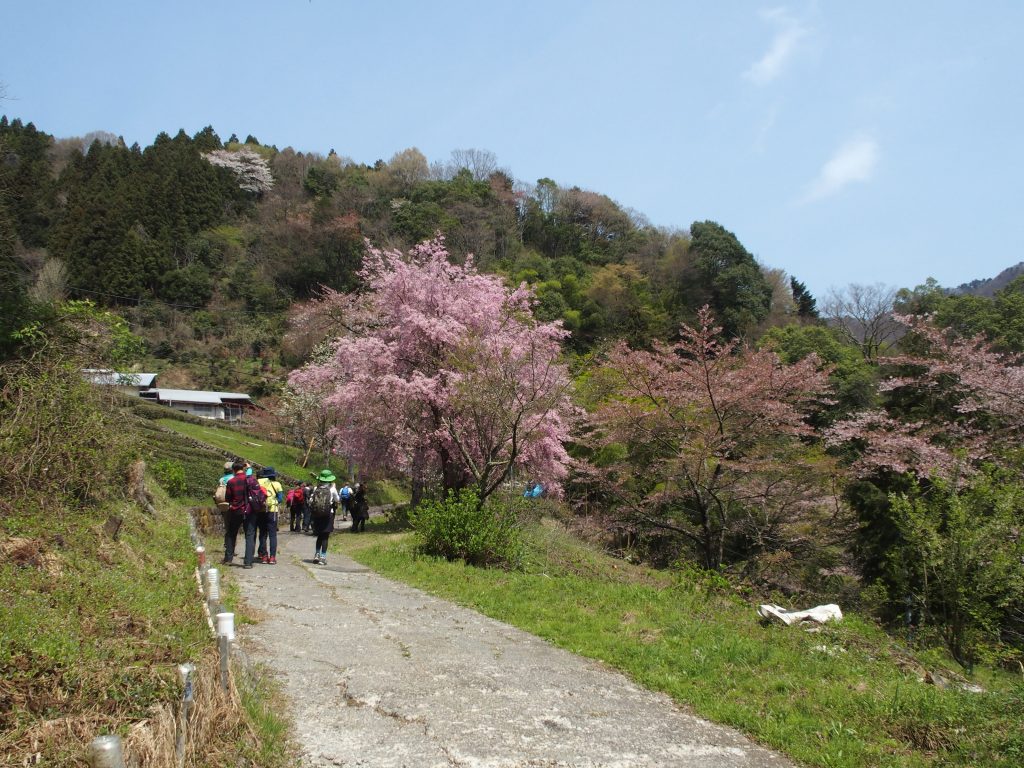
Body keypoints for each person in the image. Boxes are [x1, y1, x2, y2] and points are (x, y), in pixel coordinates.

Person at [223, 460, 263, 568]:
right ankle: (248, 562)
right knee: (250, 536)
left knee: (232, 534)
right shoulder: (250, 480)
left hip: (236, 511)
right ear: (243, 468)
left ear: (233, 470)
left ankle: (228, 559)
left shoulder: (231, 482)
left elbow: (227, 498)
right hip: (250, 511)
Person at [309, 469, 339, 565]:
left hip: (317, 515)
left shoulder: (316, 488)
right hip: (328, 514)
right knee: (325, 536)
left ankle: (316, 555)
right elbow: (337, 499)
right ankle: (323, 557)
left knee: (319, 536)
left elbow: (310, 501)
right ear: (329, 479)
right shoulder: (332, 489)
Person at [257, 467, 285, 564]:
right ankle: (272, 557)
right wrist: (274, 501)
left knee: (262, 534)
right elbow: (280, 498)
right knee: (272, 535)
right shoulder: (277, 484)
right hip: (272, 511)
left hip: (260, 510)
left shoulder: (259, 482)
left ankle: (264, 556)